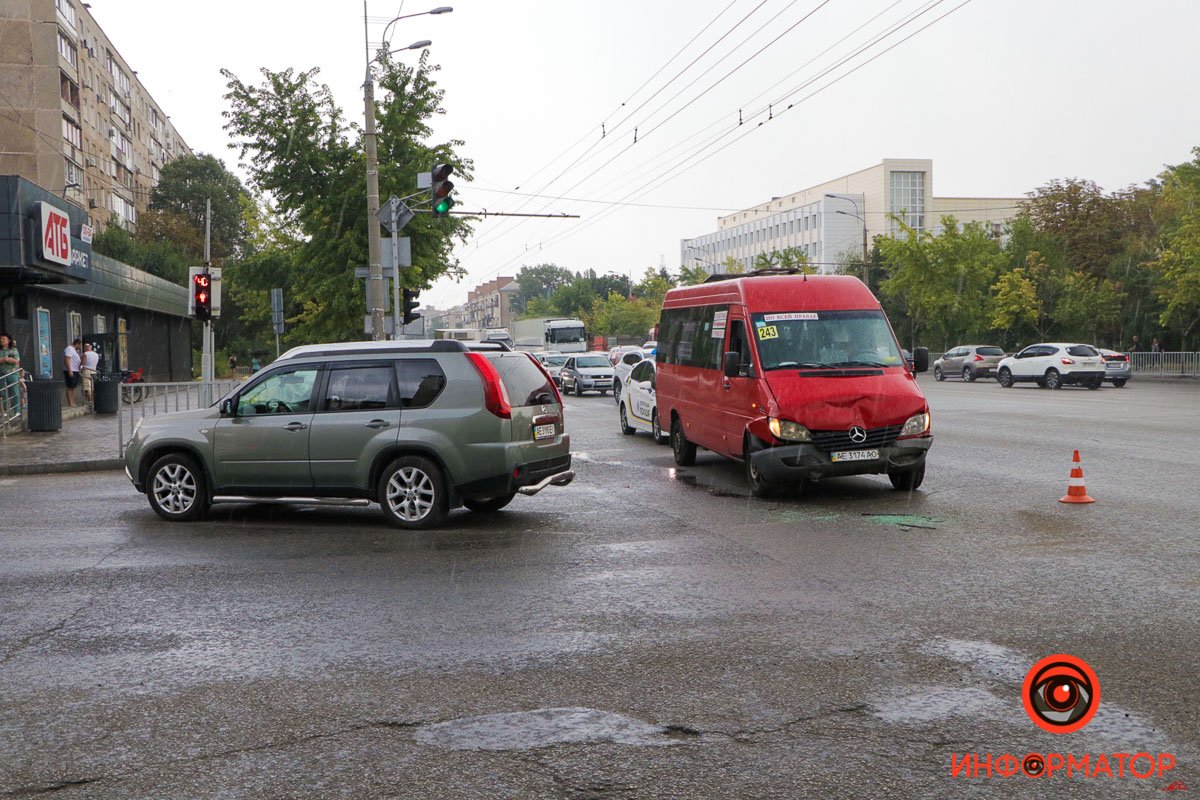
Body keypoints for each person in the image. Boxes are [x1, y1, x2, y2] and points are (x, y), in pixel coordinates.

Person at [0, 333, 20, 415]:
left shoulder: (13, 350)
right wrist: (5, 359)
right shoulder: (0, 351)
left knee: (15, 392)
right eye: (1, 339)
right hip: (2, 374)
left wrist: (7, 360)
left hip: (12, 374)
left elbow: (16, 361)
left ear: (8, 340)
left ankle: (17, 411)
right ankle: (4, 411)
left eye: (3, 338)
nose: (1, 340)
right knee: (3, 393)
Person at [63, 338, 82, 407]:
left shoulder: (74, 350)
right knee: (70, 387)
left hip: (75, 370)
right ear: (77, 344)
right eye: (80, 345)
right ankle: (70, 402)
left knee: (73, 387)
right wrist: (70, 370)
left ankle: (72, 401)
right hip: (71, 370)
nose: (80, 347)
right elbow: (67, 359)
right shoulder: (70, 349)